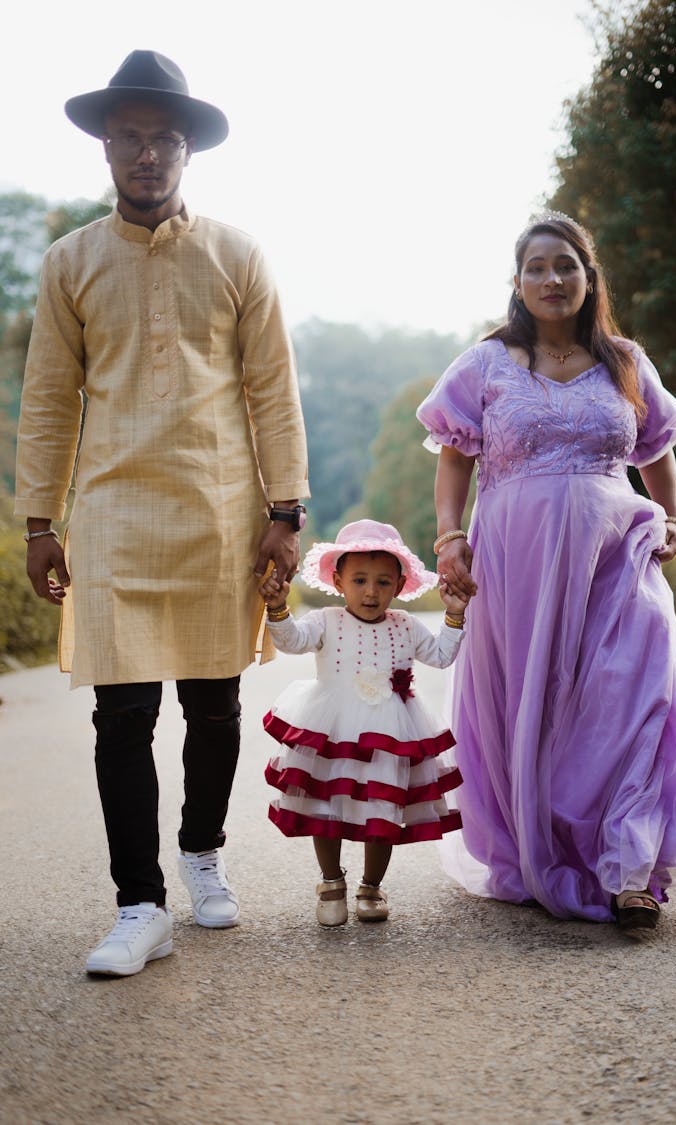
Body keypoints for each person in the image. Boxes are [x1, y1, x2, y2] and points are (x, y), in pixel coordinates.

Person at [14, 50, 309, 975]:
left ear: (188, 150)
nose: (148, 155)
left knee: (215, 707)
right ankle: (138, 902)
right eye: (131, 137)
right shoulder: (72, 262)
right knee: (122, 715)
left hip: (219, 509)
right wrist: (38, 520)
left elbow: (272, 388)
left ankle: (202, 853)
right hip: (110, 512)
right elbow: (50, 397)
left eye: (165, 140)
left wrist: (285, 510)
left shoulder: (236, 253)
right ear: (107, 145)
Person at [416, 213, 676, 933]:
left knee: (628, 698)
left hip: (615, 554)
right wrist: (448, 536)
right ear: (518, 283)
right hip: (516, 559)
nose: (552, 279)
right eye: (537, 267)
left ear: (589, 277)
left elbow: (657, 443)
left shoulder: (625, 360)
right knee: (536, 711)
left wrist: (672, 514)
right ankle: (554, 847)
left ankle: (629, 868)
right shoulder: (485, 363)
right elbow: (454, 454)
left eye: (566, 265)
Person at [259, 519, 469, 925]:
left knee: (382, 810)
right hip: (334, 728)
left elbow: (441, 655)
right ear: (338, 582)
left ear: (399, 584)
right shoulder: (326, 621)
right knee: (327, 805)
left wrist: (455, 615)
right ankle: (331, 880)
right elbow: (292, 641)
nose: (371, 592)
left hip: (390, 734)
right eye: (359, 580)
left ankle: (372, 886)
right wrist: (277, 608)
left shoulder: (405, 626)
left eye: (383, 582)